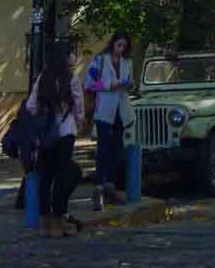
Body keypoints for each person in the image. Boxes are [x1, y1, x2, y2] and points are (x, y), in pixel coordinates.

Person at [27, 44, 84, 238]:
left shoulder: (43, 78)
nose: (73, 57)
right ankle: (59, 219)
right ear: (65, 58)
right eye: (71, 53)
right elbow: (78, 108)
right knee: (64, 174)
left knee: (46, 178)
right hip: (66, 132)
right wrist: (79, 124)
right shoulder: (72, 79)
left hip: (46, 135)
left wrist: (44, 116)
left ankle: (45, 224)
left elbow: (30, 105)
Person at [85, 31, 134, 211]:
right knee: (103, 149)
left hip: (121, 109)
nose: (121, 50)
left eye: (124, 47)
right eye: (119, 45)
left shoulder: (127, 62)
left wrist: (129, 84)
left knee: (117, 150)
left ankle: (110, 188)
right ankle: (98, 189)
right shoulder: (100, 60)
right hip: (104, 109)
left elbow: (131, 83)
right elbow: (89, 84)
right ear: (113, 44)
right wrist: (108, 85)